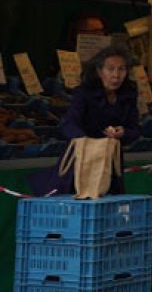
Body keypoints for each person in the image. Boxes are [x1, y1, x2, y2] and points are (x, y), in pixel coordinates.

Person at [43, 45, 141, 196]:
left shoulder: (129, 95)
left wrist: (123, 132)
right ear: (99, 71)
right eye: (111, 69)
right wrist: (86, 141)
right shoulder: (83, 93)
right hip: (81, 160)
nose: (116, 75)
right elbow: (68, 123)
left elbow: (135, 129)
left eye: (121, 69)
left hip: (110, 163)